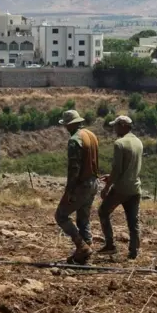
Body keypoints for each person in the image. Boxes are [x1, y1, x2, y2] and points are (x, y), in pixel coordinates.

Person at [55, 110, 100, 264]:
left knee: (61, 215)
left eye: (66, 125)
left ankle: (81, 246)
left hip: (82, 184)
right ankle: (87, 250)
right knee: (83, 218)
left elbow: (74, 169)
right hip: (94, 182)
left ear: (70, 124)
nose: (66, 128)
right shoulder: (91, 135)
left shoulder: (75, 140)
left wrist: (69, 191)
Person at [98, 115, 143, 260]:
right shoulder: (138, 142)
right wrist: (110, 176)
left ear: (123, 125)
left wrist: (106, 187)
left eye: (116, 126)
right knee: (133, 221)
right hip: (135, 188)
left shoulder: (120, 143)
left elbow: (117, 169)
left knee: (103, 211)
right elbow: (127, 168)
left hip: (121, 189)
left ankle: (110, 245)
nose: (114, 129)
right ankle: (133, 251)